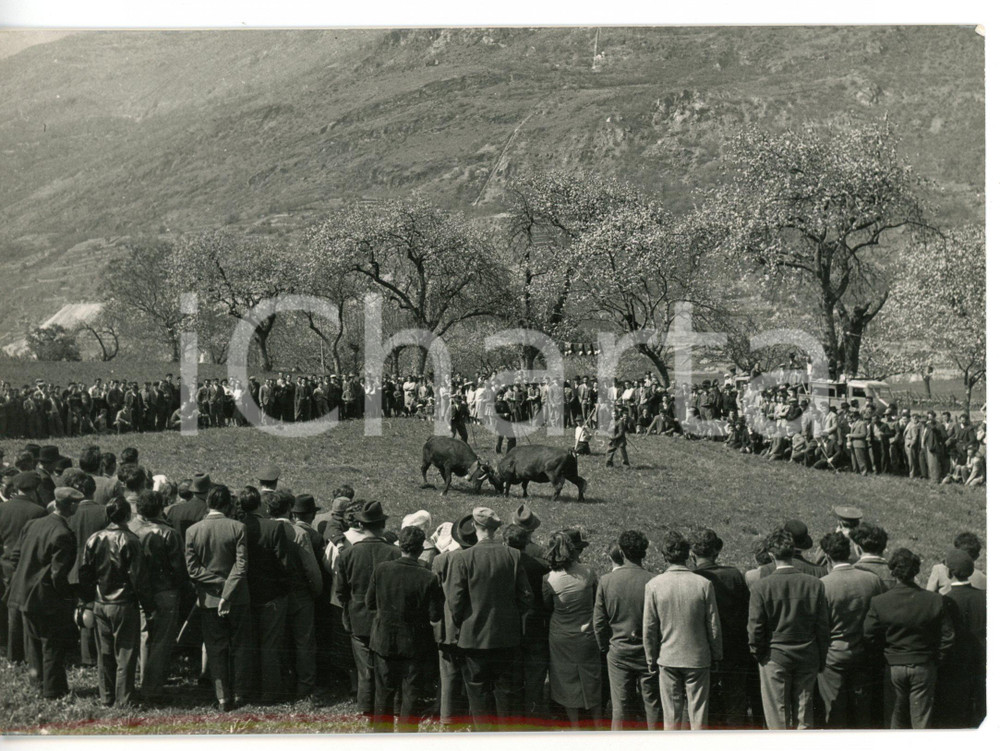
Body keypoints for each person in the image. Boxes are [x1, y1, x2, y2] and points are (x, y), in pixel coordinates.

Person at [448, 506, 533, 732]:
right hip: (507, 637)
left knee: (478, 695)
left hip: (473, 638)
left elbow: (455, 601)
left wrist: (462, 623)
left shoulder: (464, 557)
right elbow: (526, 597)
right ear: (496, 529)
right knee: (507, 696)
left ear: (475, 527)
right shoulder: (513, 555)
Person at [748, 527, 829, 730]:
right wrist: (820, 657)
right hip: (807, 655)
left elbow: (755, 628)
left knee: (777, 717)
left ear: (771, 554)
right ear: (794, 551)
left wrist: (759, 654)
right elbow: (823, 627)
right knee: (804, 716)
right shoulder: (815, 584)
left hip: (775, 656)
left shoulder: (761, 586)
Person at [863, 548, 954, 729]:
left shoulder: (880, 601)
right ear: (916, 571)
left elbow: (869, 635)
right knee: (922, 721)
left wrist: (883, 657)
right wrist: (935, 660)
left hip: (893, 666)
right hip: (923, 665)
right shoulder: (934, 600)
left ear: (893, 571)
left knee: (894, 719)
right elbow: (947, 636)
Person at [6, 486, 81, 699]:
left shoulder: (33, 524)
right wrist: (66, 596)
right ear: (72, 506)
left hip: (23, 594)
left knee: (33, 644)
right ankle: (53, 690)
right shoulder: (63, 534)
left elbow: (15, 556)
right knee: (52, 645)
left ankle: (37, 684)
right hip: (46, 598)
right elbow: (58, 574)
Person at [366, 525, 444, 732]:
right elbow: (435, 615)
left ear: (400, 546)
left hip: (384, 641)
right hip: (414, 644)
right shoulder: (428, 577)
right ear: (420, 549)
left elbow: (370, 603)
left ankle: (380, 737)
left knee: (383, 692)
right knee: (411, 694)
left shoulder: (382, 569)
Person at [78, 496, 154, 707]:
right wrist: (149, 606)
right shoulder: (130, 540)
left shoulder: (94, 538)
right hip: (123, 603)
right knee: (126, 653)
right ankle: (124, 699)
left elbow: (85, 572)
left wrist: (87, 600)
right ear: (128, 516)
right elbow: (139, 578)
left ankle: (106, 696)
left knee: (105, 653)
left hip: (100, 601)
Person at [643, 530, 722, 731]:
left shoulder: (654, 585)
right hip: (698, 658)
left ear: (664, 555)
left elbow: (649, 628)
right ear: (688, 555)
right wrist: (716, 655)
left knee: (671, 717)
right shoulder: (703, 584)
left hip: (668, 657)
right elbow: (713, 625)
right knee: (699, 716)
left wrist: (651, 658)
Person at [184, 485, 251, 712]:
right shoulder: (238, 527)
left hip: (209, 600)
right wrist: (228, 588)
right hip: (238, 598)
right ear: (227, 505)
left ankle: (222, 697)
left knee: (215, 647)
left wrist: (218, 586)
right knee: (240, 646)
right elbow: (241, 567)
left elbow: (193, 570)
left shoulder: (193, 531)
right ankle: (240, 692)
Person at [334, 500, 401, 723]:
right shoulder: (394, 553)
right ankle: (386, 706)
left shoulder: (348, 554)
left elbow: (341, 591)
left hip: (359, 617)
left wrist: (349, 608)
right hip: (386, 617)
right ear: (382, 525)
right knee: (386, 664)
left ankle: (366, 706)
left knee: (364, 666)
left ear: (362, 526)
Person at [816, 532, 884, 729]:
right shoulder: (872, 580)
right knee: (863, 713)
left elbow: (821, 627)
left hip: (833, 657)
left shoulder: (823, 585)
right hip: (864, 654)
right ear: (851, 552)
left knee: (835, 714)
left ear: (827, 558)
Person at [593, 530, 660, 730]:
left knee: (620, 707)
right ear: (644, 553)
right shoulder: (654, 580)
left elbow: (599, 622)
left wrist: (606, 647)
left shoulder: (606, 581)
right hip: (648, 653)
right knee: (653, 705)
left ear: (621, 552)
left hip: (618, 652)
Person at [689, 527, 753, 729]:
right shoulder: (734, 575)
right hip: (734, 649)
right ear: (716, 552)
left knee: (704, 703)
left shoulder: (692, 579)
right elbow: (746, 611)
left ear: (692, 554)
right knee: (735, 702)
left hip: (704, 651)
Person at [235, 486, 293, 704]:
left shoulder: (238, 526)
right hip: (271, 594)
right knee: (269, 645)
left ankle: (247, 689)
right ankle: (270, 691)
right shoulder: (273, 527)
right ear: (259, 504)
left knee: (248, 643)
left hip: (246, 593)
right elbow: (283, 564)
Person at [128, 489, 186, 702]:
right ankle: (152, 687)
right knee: (162, 640)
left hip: (138, 591)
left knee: (143, 635)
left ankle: (143, 677)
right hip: (164, 590)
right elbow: (178, 566)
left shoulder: (131, 529)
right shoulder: (168, 533)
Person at [542, 529, 602, 729]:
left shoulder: (549, 579)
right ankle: (597, 721)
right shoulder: (588, 572)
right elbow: (596, 601)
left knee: (564, 678)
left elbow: (547, 607)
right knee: (591, 675)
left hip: (561, 635)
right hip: (587, 632)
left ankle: (575, 725)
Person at [269, 490, 322, 701]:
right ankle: (305, 686)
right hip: (300, 595)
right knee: (304, 642)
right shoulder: (299, 533)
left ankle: (283, 681)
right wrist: (315, 592)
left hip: (273, 594)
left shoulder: (266, 529)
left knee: (278, 640)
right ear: (290, 509)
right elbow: (311, 570)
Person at [501, 523, 551, 720]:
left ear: (505, 542)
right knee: (534, 674)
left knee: (510, 673)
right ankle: (532, 711)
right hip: (535, 626)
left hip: (508, 627)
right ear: (527, 542)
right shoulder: (540, 566)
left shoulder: (501, 564)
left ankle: (512, 712)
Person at [431, 513, 477, 728]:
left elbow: (436, 594)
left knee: (448, 673)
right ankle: (470, 714)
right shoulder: (480, 559)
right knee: (473, 673)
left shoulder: (441, 560)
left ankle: (447, 717)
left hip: (448, 626)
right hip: (474, 625)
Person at [934, 548, 986, 728]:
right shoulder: (984, 597)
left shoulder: (944, 599)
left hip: (954, 664)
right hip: (980, 660)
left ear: (949, 572)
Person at [0, 471, 48, 663]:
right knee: (26, 611)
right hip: (27, 565)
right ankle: (27, 652)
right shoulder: (38, 512)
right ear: (35, 490)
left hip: (4, 564)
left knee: (9, 608)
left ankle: (12, 652)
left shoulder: (2, 508)